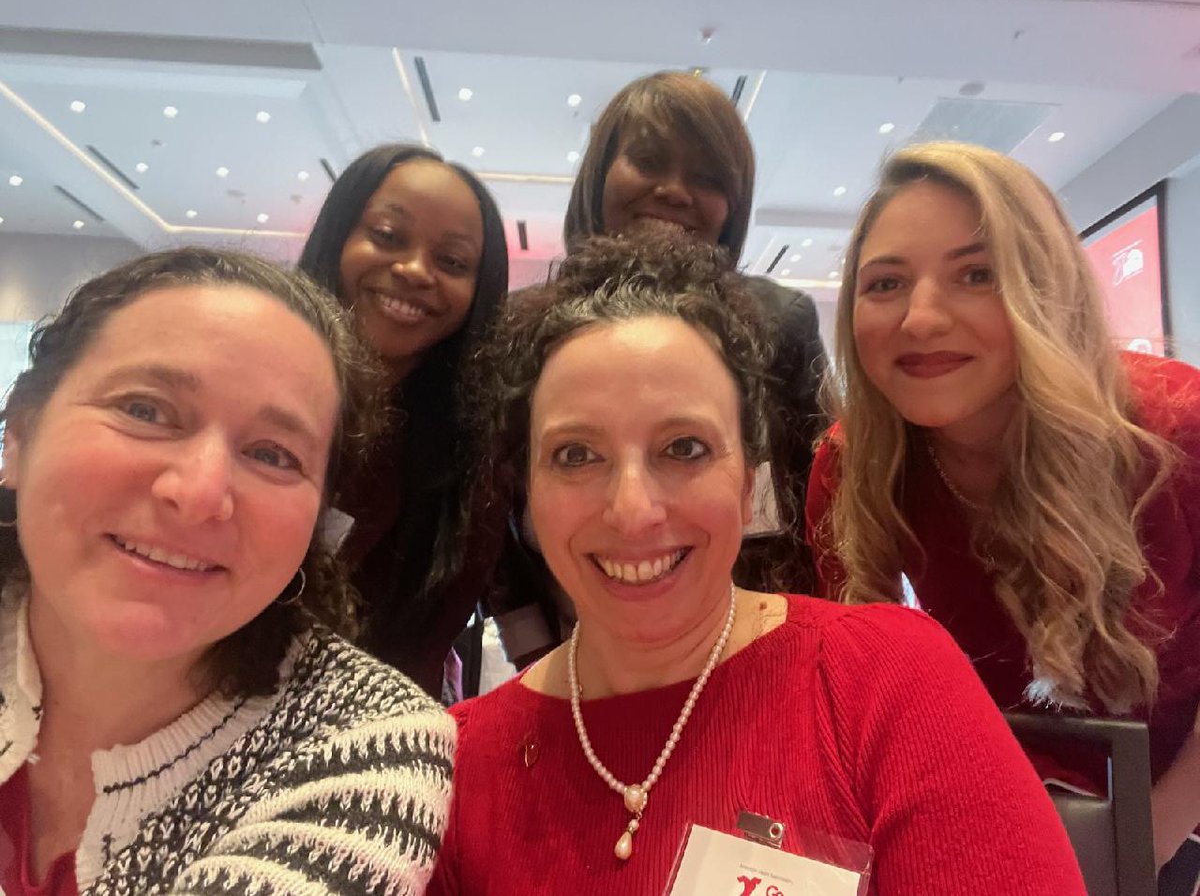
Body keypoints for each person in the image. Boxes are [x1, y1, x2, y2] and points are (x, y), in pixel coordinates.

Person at [427, 232, 1086, 895]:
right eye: (575, 454)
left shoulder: (884, 682)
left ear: (749, 484)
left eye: (683, 447)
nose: (633, 511)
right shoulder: (457, 766)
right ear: (529, 495)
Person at [805, 141, 1200, 888]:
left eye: (976, 275)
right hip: (991, 805)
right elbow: (860, 689)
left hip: (1169, 814)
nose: (920, 318)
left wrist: (1146, 846)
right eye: (885, 282)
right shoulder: (853, 463)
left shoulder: (1176, 432)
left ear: (1046, 291)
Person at [0, 248, 455, 895]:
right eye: (146, 410)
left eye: (273, 453)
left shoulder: (362, 742)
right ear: (20, 431)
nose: (200, 491)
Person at [493, 71, 828, 669]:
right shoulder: (530, 330)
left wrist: (797, 648)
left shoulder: (780, 323)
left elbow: (817, 506)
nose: (675, 191)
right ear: (600, 176)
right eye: (649, 162)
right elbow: (495, 518)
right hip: (582, 649)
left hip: (756, 645)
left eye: (706, 178)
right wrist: (537, 653)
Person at [299, 144, 510, 697]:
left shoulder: (472, 458)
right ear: (338, 234)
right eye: (389, 237)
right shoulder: (253, 400)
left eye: (453, 262)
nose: (415, 271)